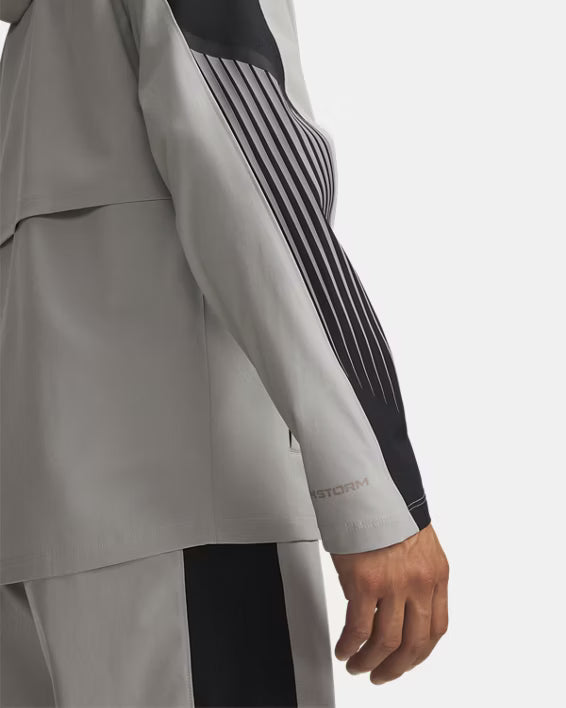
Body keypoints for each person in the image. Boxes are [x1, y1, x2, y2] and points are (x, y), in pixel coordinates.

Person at [0, 0, 449, 705]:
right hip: (202, 528)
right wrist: (380, 496)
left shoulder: (41, 43)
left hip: (44, 537)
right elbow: (257, 189)